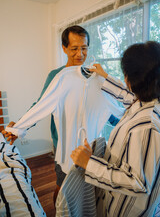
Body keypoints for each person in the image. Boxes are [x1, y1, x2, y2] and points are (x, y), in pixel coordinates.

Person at [2, 25, 121, 205]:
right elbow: (41, 105)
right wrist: (19, 127)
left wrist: (127, 123)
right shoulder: (57, 76)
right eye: (74, 48)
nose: (80, 54)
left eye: (84, 48)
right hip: (64, 146)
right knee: (63, 187)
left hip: (91, 146)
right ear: (64, 48)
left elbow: (110, 109)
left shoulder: (97, 77)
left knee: (89, 189)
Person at [71, 41, 160, 216]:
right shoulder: (148, 102)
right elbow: (126, 95)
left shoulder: (146, 126)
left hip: (127, 209)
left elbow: (138, 183)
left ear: (129, 79)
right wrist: (104, 76)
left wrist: (89, 164)